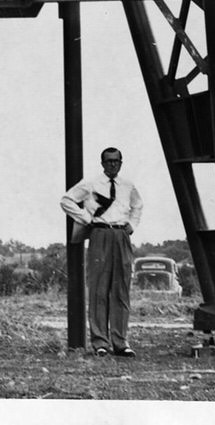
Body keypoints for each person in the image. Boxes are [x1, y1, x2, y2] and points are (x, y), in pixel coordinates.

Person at [60, 146, 143, 357]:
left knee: (121, 289)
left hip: (121, 235)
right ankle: (100, 343)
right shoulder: (90, 184)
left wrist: (131, 225)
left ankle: (120, 342)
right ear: (102, 163)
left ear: (121, 162)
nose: (112, 165)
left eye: (116, 161)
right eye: (108, 161)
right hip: (100, 233)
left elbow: (138, 205)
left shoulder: (128, 185)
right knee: (99, 289)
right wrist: (86, 219)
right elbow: (67, 200)